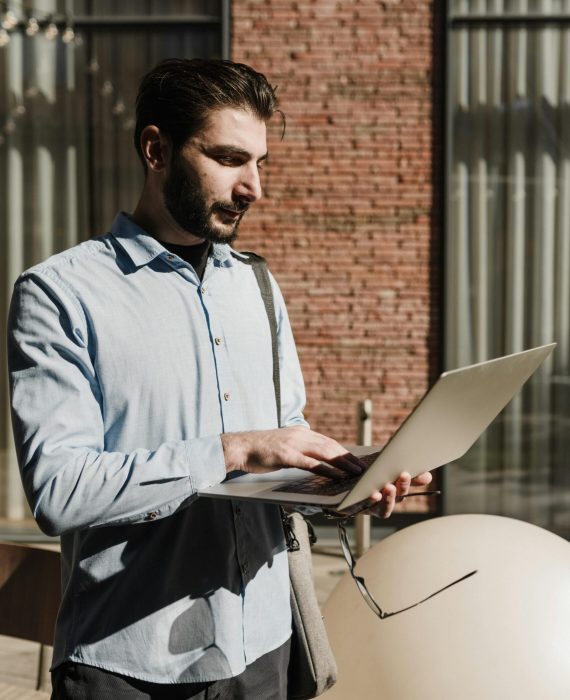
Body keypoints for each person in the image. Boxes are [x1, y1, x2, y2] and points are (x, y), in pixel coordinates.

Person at [8, 58, 432, 699]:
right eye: (231, 159)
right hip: (130, 665)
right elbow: (59, 492)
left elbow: (282, 440)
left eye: (260, 163)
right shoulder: (58, 294)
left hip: (263, 645)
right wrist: (235, 449)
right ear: (156, 149)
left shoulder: (258, 284)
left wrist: (344, 482)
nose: (253, 187)